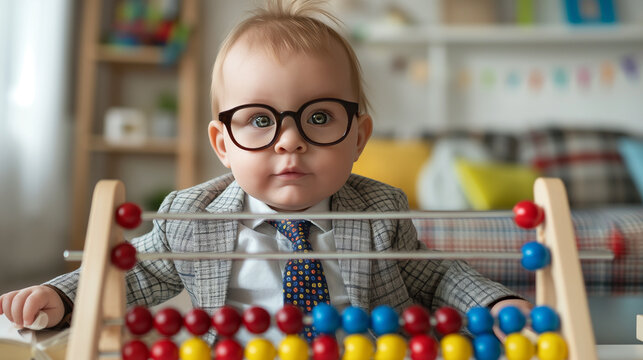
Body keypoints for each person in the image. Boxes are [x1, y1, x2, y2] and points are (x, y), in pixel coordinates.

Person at [0, 0, 529, 344]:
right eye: (259, 120)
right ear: (223, 144)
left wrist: (496, 302)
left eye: (319, 117)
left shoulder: (380, 209)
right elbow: (135, 271)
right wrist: (64, 296)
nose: (290, 138)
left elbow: (434, 274)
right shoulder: (193, 217)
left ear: (359, 138)